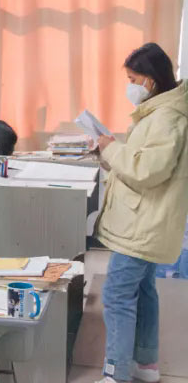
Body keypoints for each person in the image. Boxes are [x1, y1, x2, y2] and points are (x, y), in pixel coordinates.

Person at [94, 43, 188, 383]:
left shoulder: (167, 117)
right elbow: (140, 161)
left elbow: (148, 170)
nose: (130, 86)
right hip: (146, 218)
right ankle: (145, 365)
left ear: (150, 80)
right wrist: (108, 152)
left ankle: (116, 373)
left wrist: (113, 149)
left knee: (117, 295)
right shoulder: (159, 111)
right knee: (144, 291)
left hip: (143, 223)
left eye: (133, 79)